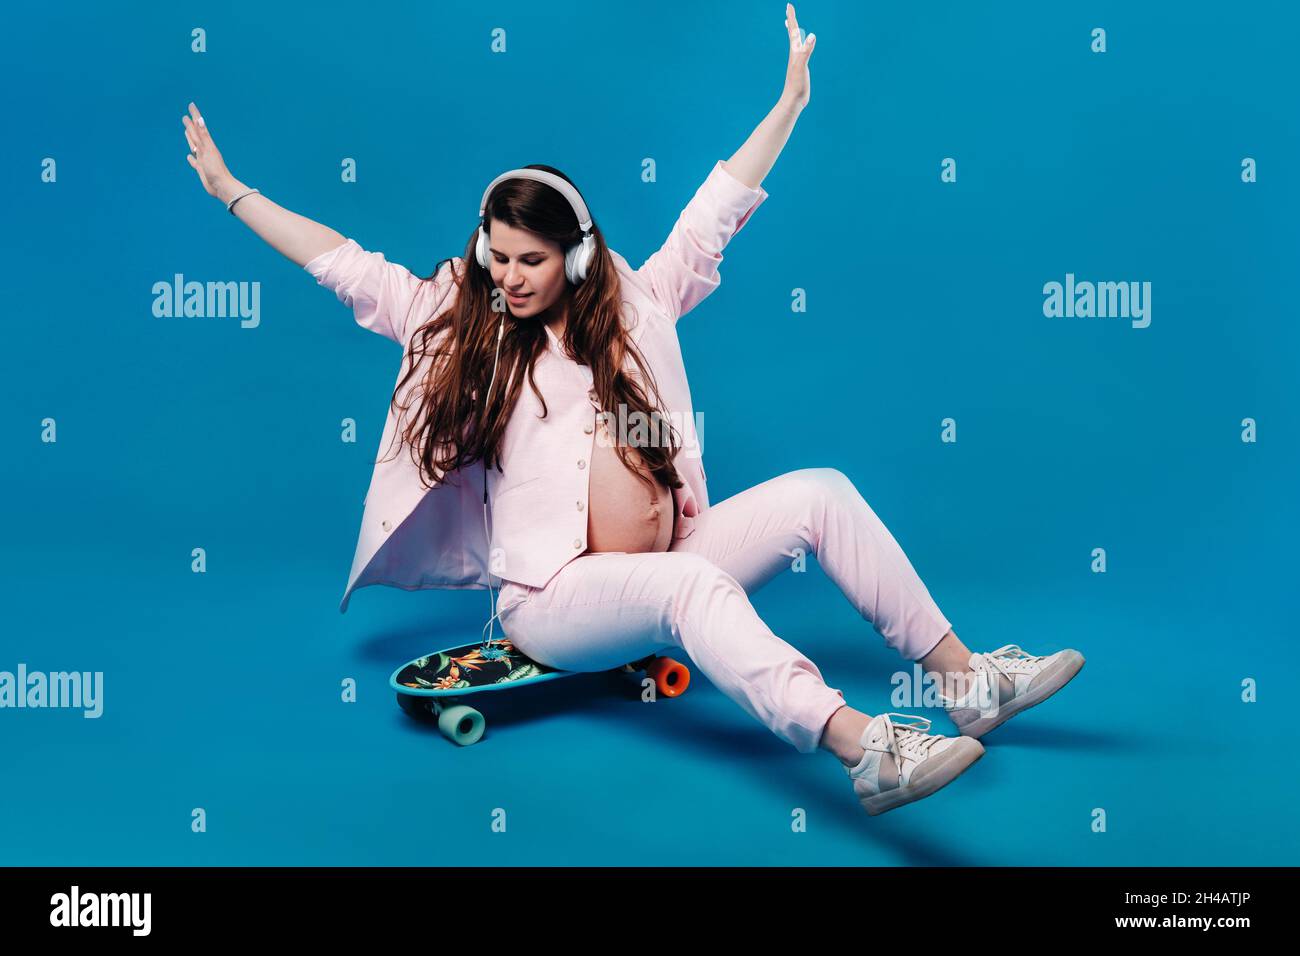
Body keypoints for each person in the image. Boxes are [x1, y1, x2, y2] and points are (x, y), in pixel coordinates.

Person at [180, 3, 1083, 817]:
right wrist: (231, 194)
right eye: (496, 256)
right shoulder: (466, 329)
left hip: (663, 553)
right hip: (555, 600)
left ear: (575, 259)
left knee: (823, 493)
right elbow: (346, 266)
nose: (507, 277)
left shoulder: (640, 304)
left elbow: (715, 210)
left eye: (529, 261)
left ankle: (965, 683)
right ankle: (862, 748)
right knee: (694, 590)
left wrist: (789, 104)